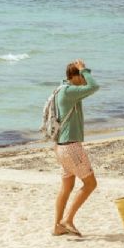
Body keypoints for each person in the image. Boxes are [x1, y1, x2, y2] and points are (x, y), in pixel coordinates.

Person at [52, 59, 100, 237]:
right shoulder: (70, 91)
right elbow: (94, 87)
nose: (85, 78)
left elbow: (89, 86)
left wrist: (84, 72)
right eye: (82, 75)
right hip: (71, 147)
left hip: (61, 146)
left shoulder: (62, 89)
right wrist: (84, 70)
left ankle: (57, 226)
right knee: (90, 183)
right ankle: (67, 220)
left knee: (66, 187)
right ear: (75, 76)